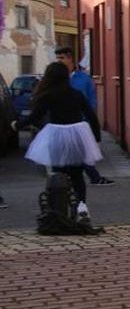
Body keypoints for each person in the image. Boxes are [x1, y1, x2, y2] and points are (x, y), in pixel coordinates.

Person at [23, 61, 102, 221]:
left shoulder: (47, 95)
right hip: (77, 134)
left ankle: (57, 209)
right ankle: (82, 207)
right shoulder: (76, 94)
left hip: (56, 135)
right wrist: (96, 138)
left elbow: (34, 117)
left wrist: (17, 124)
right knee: (77, 175)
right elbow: (92, 117)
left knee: (58, 173)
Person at [55, 47, 113, 186]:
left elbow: (92, 99)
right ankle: (91, 178)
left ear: (70, 59)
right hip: (62, 122)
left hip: (81, 122)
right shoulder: (56, 78)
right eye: (57, 58)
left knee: (81, 151)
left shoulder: (84, 79)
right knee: (74, 152)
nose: (58, 61)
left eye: (61, 58)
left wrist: (89, 118)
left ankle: (90, 178)